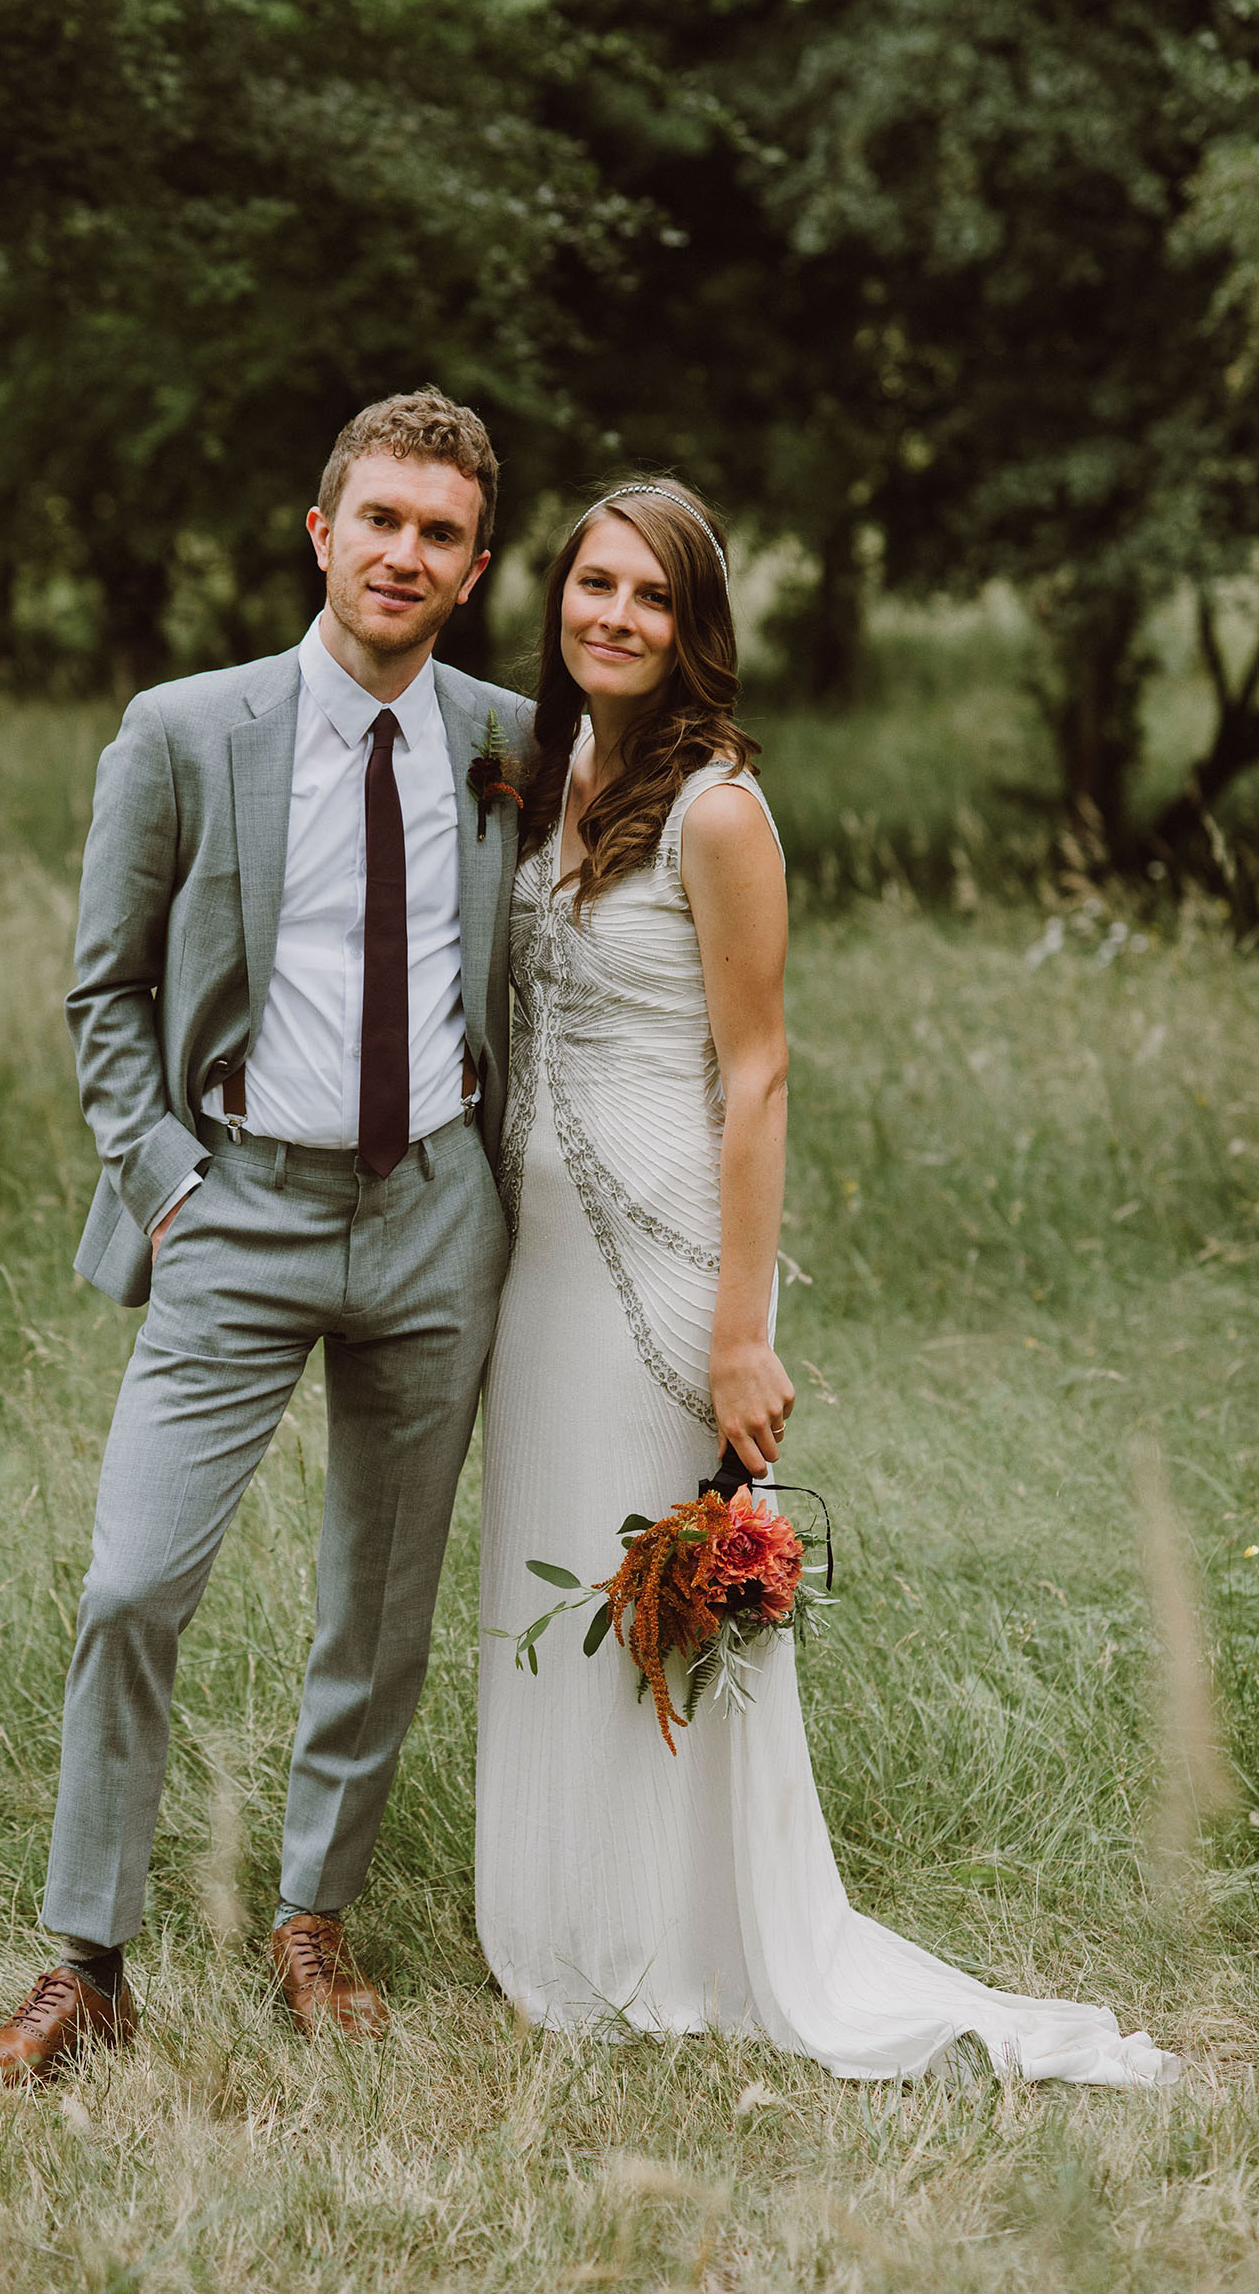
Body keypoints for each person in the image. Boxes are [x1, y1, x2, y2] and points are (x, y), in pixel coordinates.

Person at [474, 478, 1180, 2086]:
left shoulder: (718, 807)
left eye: (651, 596)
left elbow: (760, 1072)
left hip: (668, 1260)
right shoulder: (548, 765)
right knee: (554, 1555)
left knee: (659, 1586)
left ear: (697, 625)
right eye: (594, 583)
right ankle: (570, 1921)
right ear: (560, 596)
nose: (615, 617)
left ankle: (687, 1940)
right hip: (541, 1263)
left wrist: (739, 1334)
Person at [0, 388, 532, 2090]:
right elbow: (102, 988)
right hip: (238, 1209)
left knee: (381, 1600)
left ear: (475, 564)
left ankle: (312, 1918)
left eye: (441, 532)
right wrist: (169, 1184)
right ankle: (87, 1958)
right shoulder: (188, 728)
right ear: (321, 529)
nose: (405, 553)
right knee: (132, 1579)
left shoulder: (505, 735)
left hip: (435, 1215)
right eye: (382, 520)